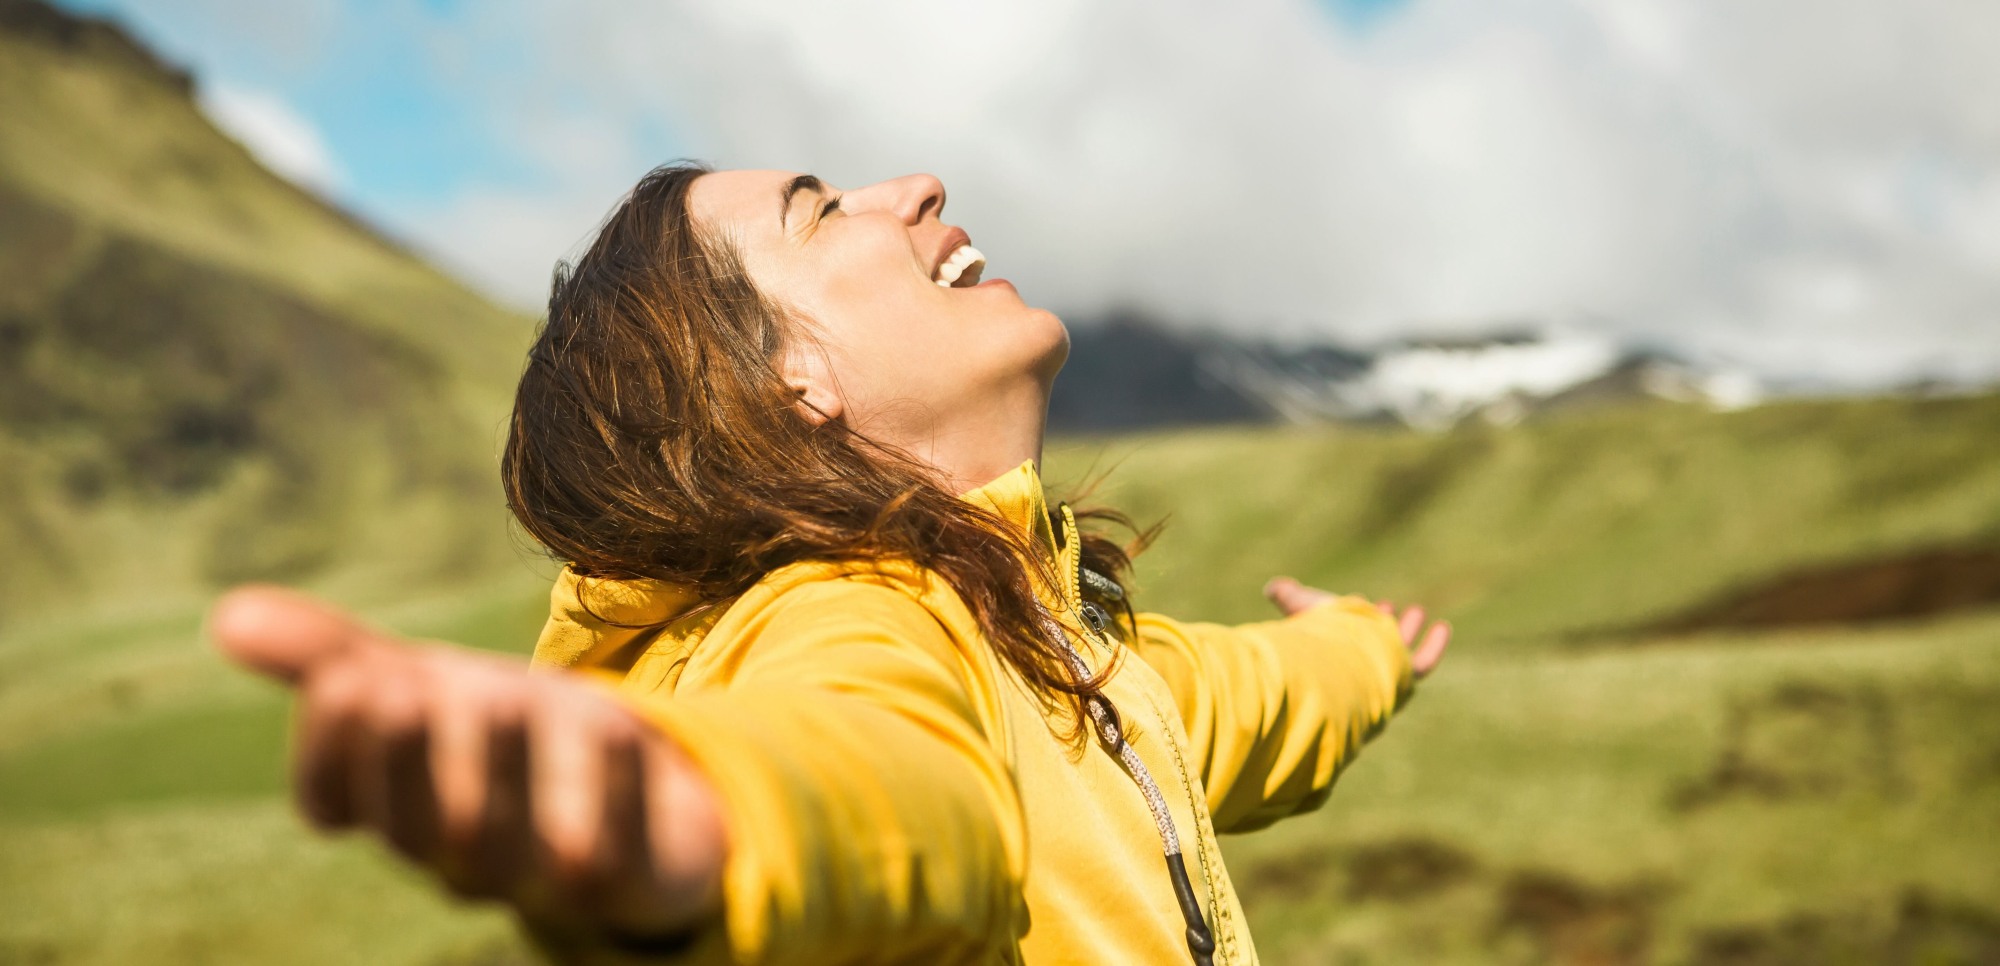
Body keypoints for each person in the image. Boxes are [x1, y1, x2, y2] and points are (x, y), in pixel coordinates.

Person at [209, 162, 1452, 964]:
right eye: (818, 211)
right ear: (781, 379)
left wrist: (1364, 646)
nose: (911, 187)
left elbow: (1241, 701)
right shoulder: (856, 612)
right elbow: (869, 772)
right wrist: (709, 823)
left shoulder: (1054, 645)